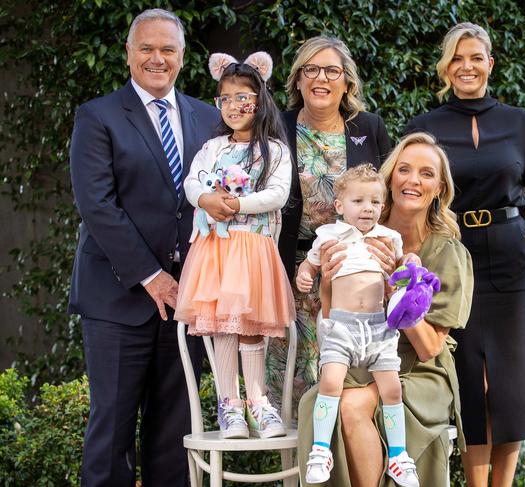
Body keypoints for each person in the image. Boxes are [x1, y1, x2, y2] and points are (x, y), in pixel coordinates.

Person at [404, 22, 525, 487]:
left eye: (475, 57)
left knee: (510, 386)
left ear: (490, 64)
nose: (466, 66)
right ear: (446, 67)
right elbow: (416, 191)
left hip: (513, 256)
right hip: (456, 255)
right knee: (473, 379)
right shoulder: (425, 128)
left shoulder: (521, 123)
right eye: (457, 58)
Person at [68, 9, 220, 486]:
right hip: (120, 297)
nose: (158, 58)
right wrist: (152, 277)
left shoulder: (209, 117)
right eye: (147, 48)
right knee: (112, 429)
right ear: (129, 54)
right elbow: (97, 205)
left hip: (188, 301)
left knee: (176, 432)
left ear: (181, 57)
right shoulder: (97, 116)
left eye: (168, 50)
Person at [298, 132, 474, 486]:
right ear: (390, 179)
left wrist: (397, 293)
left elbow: (430, 347)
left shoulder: (447, 252)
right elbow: (331, 318)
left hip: (417, 367)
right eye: (404, 170)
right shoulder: (349, 236)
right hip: (356, 352)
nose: (413, 180)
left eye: (426, 174)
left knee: (351, 406)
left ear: (439, 188)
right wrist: (327, 285)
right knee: (313, 403)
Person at [174, 51, 295, 440]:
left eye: (243, 96)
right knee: (223, 324)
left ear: (260, 99)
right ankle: (230, 404)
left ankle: (258, 402)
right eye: (225, 98)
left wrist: (238, 204)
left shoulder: (274, 149)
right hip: (217, 253)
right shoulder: (213, 148)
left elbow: (277, 194)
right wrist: (206, 199)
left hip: (254, 250)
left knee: (250, 326)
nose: (234, 106)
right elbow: (193, 183)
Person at [268, 35, 393, 408]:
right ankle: (297, 465)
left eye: (331, 70)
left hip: (355, 272)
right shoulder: (276, 125)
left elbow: (386, 200)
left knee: (350, 378)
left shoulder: (368, 128)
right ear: (298, 80)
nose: (321, 78)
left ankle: (341, 461)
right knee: (289, 379)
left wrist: (389, 254)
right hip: (291, 269)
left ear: (347, 82)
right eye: (311, 69)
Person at [296, 164, 419, 486]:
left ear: (383, 206)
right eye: (358, 201)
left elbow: (401, 268)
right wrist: (305, 275)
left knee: (392, 389)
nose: (368, 208)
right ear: (339, 206)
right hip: (342, 327)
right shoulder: (329, 235)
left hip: (379, 328)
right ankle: (320, 450)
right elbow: (310, 266)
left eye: (375, 202)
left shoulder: (389, 237)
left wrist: (410, 263)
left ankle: (398, 456)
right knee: (331, 383)